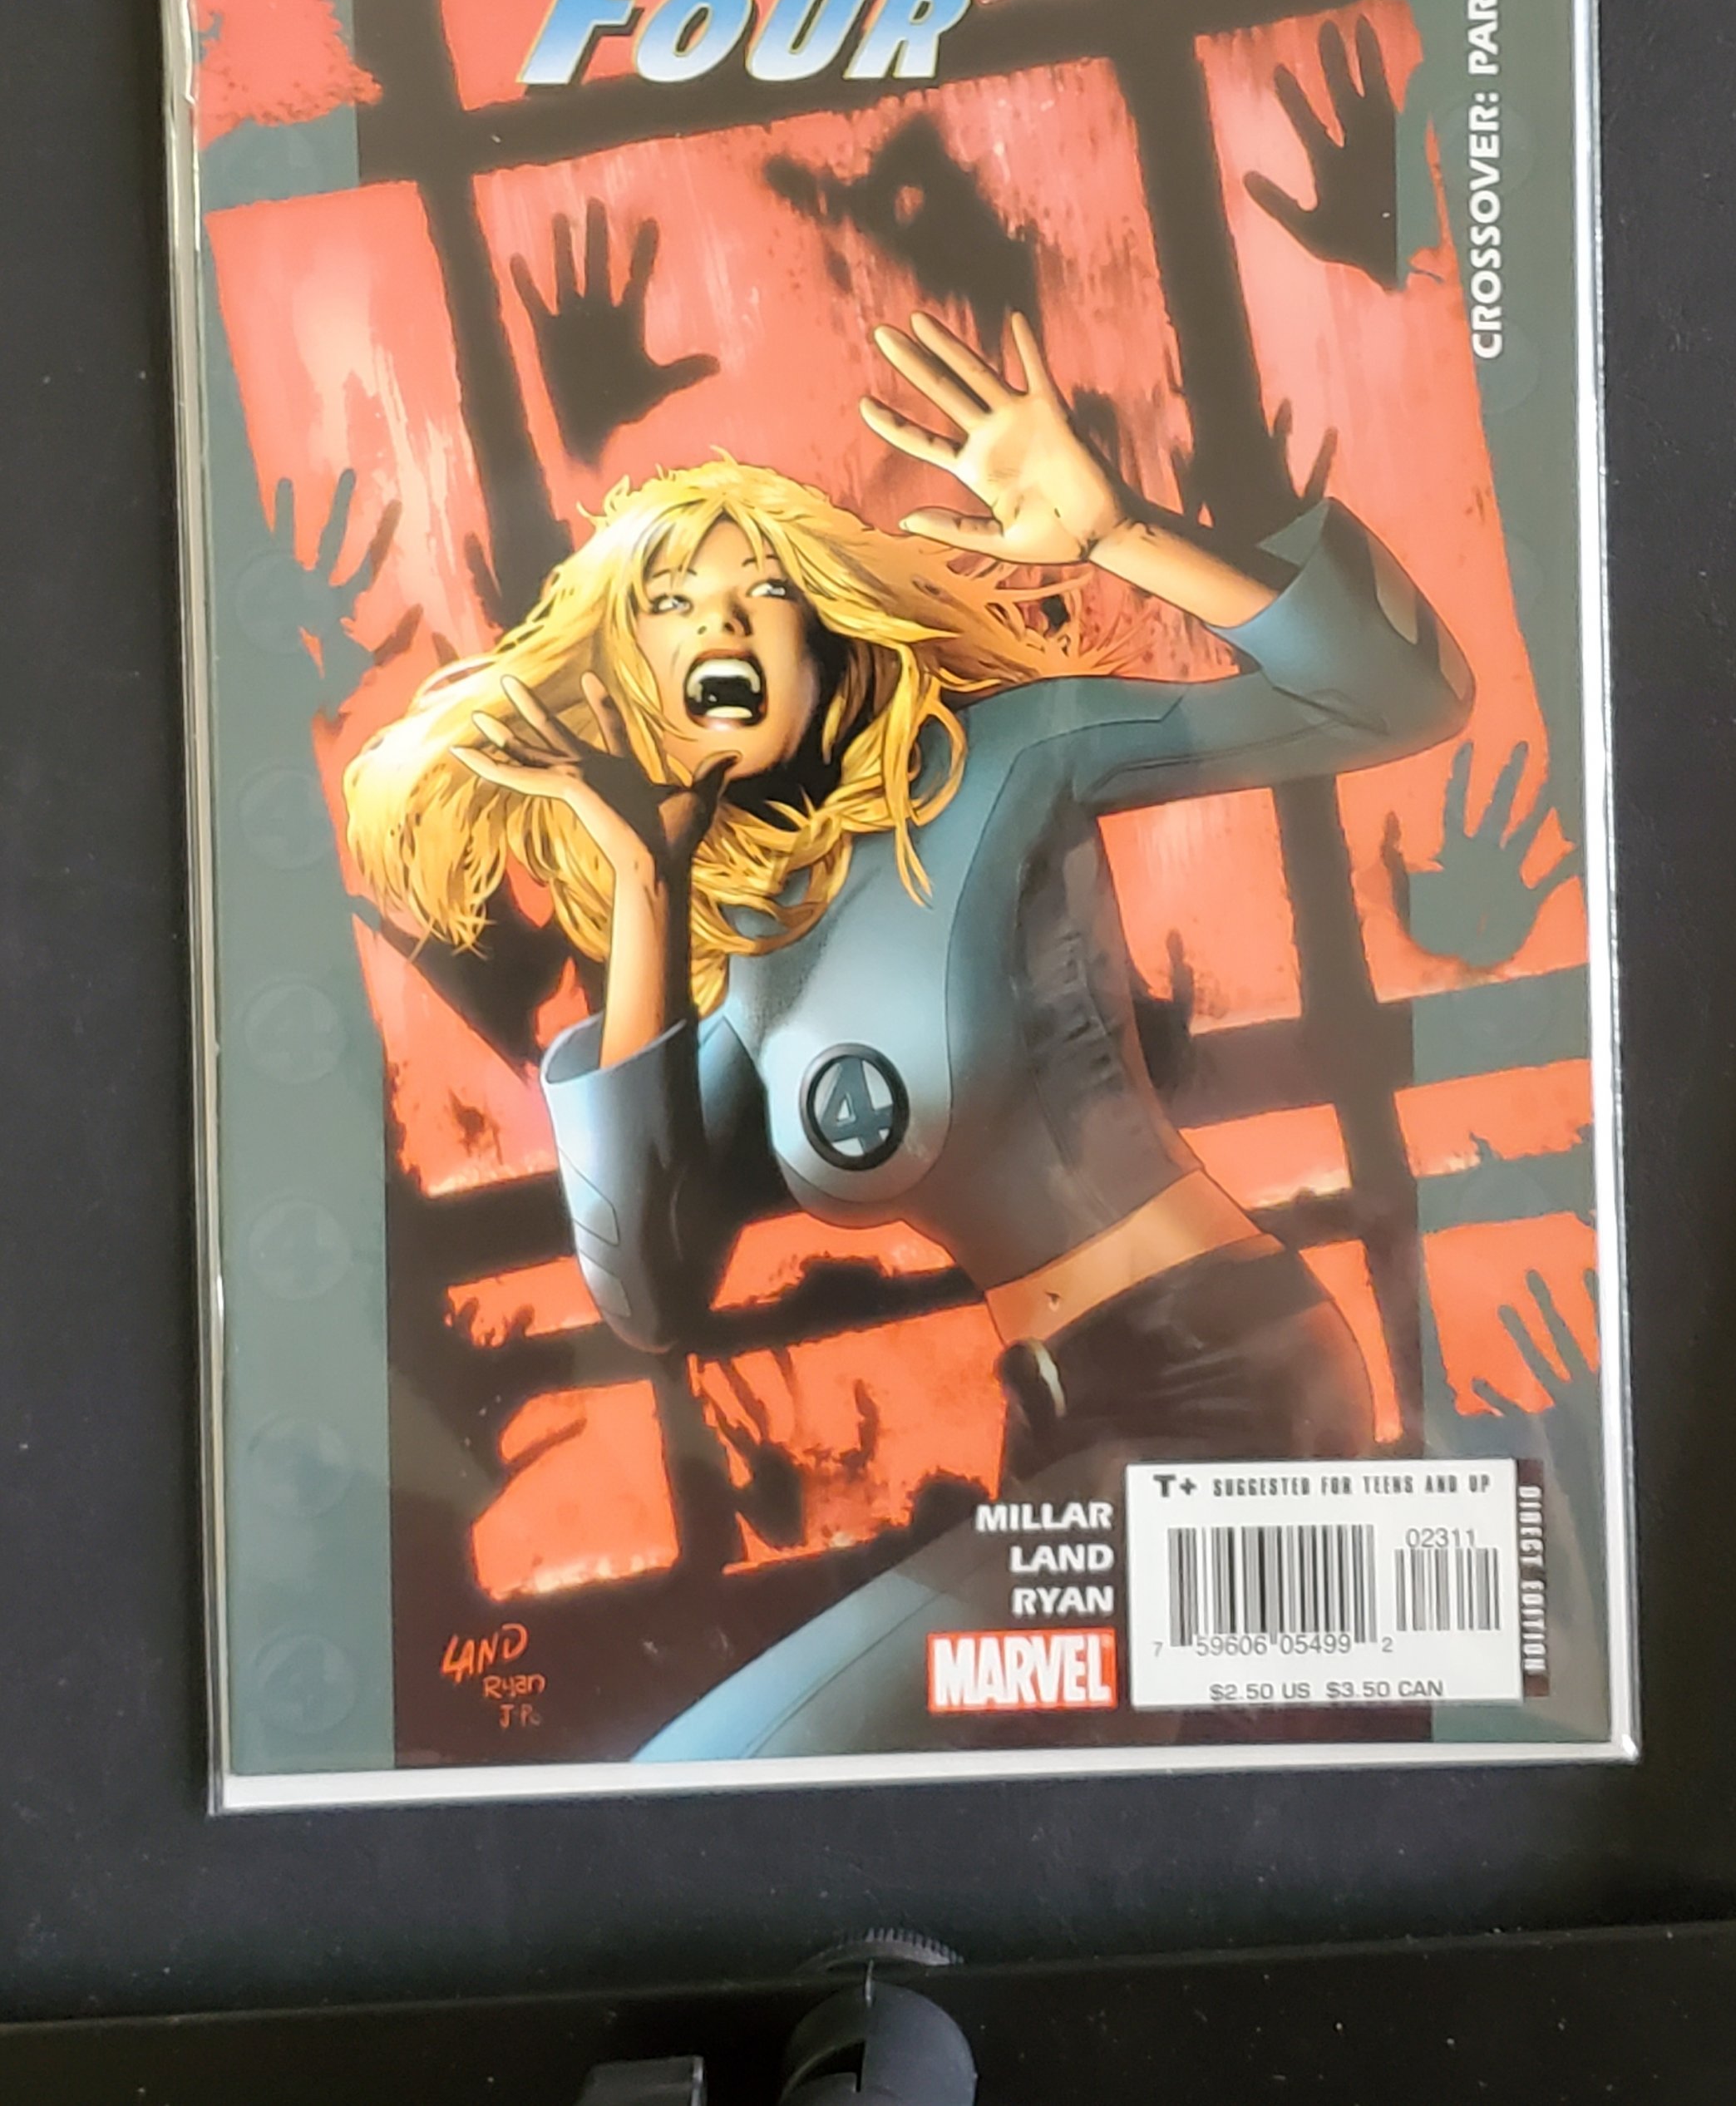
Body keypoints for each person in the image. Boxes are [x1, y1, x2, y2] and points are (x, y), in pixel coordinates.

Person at [344, 306, 1472, 1756]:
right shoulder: (755, 959)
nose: (721, 622)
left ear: (820, 625)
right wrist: (646, 890)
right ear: (630, 672)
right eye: (671, 604)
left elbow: (1395, 697)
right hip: (1063, 1418)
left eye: (759, 587)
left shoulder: (1000, 760)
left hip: (1220, 1376)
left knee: (717, 1771)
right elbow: (650, 1296)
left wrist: (1118, 532)